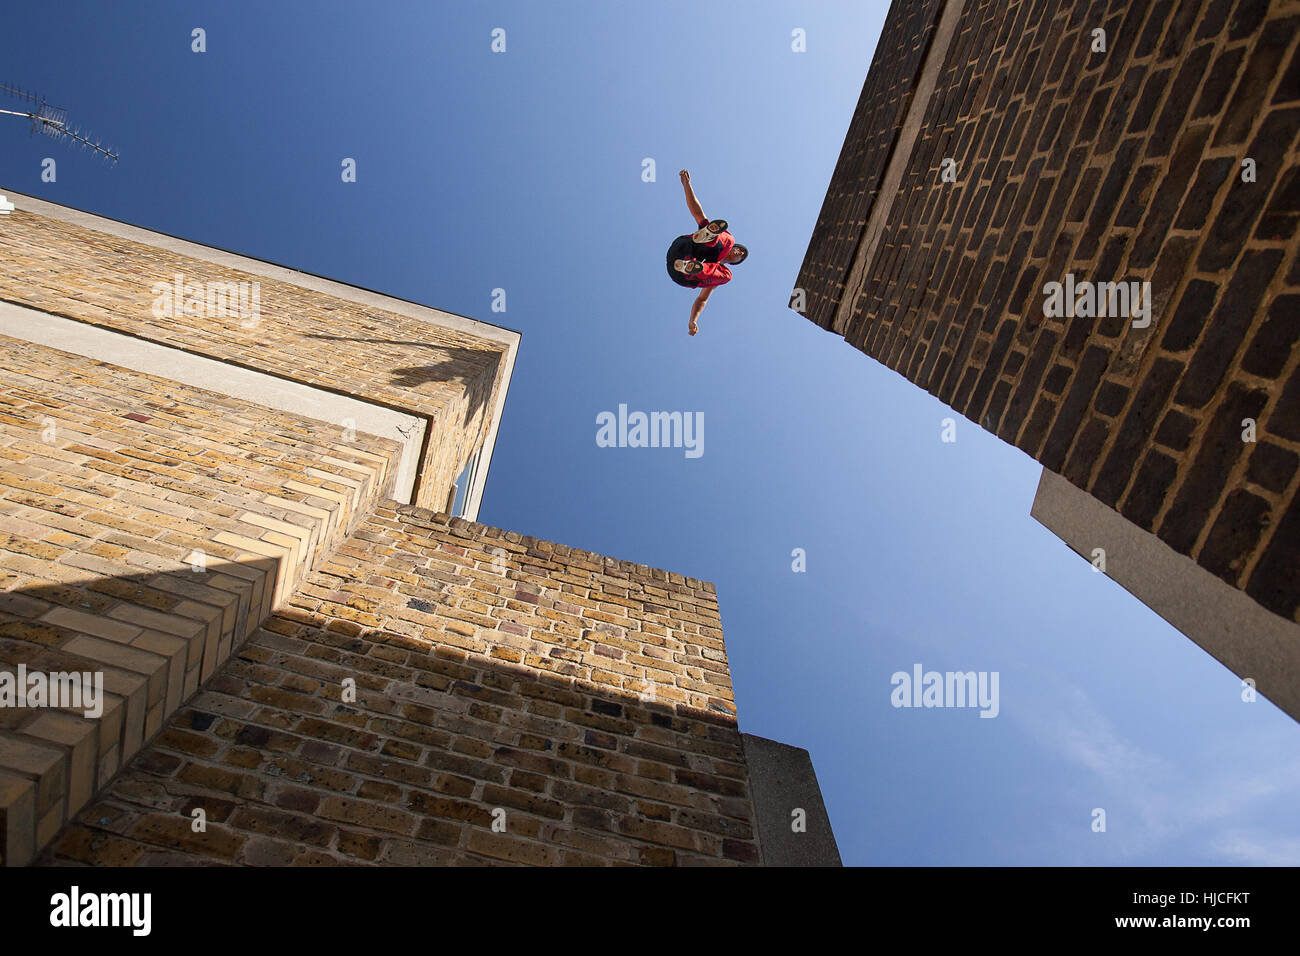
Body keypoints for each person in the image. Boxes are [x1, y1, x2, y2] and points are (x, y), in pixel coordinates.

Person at [667, 170, 748, 336]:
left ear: (734, 262)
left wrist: (693, 320)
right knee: (727, 239)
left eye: (741, 255)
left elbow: (701, 299)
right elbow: (697, 212)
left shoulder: (719, 275)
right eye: (740, 250)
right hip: (683, 248)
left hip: (681, 273)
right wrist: (686, 185)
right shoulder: (726, 244)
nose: (739, 251)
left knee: (726, 277)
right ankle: (707, 237)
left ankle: (692, 267)